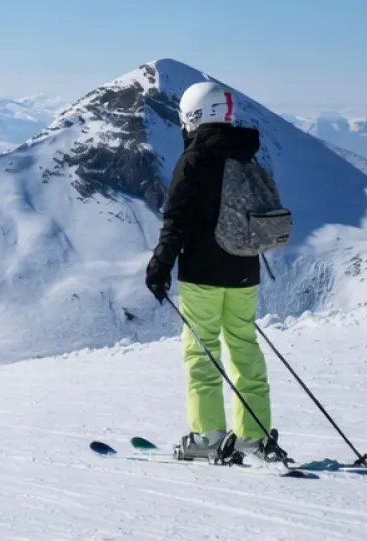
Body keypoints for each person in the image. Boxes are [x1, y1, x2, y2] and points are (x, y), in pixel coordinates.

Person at [145, 81, 284, 463]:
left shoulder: (193, 161)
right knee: (244, 349)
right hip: (244, 270)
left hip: (203, 273)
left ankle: (208, 435)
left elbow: (176, 220)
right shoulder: (246, 154)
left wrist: (160, 265)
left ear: (192, 116)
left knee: (201, 353)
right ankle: (253, 435)